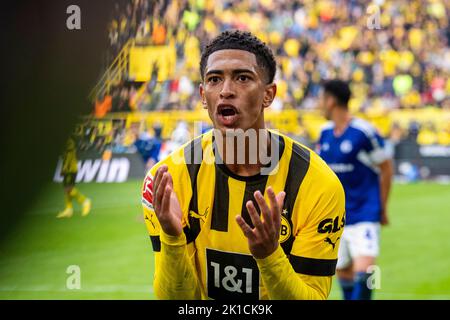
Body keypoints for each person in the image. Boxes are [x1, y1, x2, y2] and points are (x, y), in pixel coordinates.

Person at [141, 30, 345, 300]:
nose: (226, 91)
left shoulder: (318, 185)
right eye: (214, 79)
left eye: (242, 77)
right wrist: (172, 236)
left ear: (268, 95)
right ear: (203, 95)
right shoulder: (168, 179)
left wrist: (269, 256)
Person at [316, 79, 394, 300]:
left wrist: (382, 207)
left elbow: (386, 168)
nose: (319, 104)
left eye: (322, 99)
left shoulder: (363, 132)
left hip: (365, 212)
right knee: (344, 274)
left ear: (331, 101)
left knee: (367, 272)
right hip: (336, 218)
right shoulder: (324, 134)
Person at [57, 137, 91, 218]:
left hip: (70, 169)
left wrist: (64, 168)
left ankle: (85, 201)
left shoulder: (69, 141)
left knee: (70, 189)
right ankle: (68, 209)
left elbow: (69, 155)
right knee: (66, 190)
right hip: (68, 168)